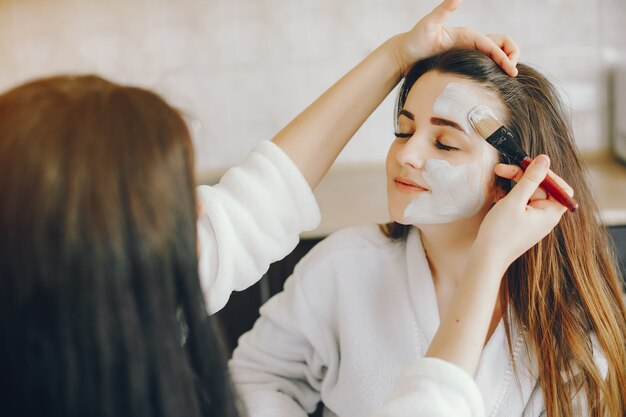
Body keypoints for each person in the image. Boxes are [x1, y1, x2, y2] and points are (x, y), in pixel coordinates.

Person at [0, 1, 522, 416]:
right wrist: (488, 263)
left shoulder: (69, 292)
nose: (205, 214)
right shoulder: (345, 268)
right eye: (179, 204)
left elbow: (257, 203)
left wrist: (395, 56)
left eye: (446, 143)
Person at [228, 51, 626, 417]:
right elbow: (256, 379)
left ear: (510, 177)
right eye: (403, 131)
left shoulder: (569, 316)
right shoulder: (342, 268)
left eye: (445, 143)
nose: (405, 154)